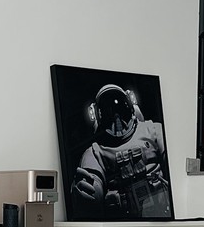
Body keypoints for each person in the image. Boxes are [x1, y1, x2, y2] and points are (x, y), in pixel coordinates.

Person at [71, 84, 173, 218]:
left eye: (120, 107)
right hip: (124, 221)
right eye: (108, 111)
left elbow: (174, 166)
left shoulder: (153, 130)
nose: (116, 117)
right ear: (96, 114)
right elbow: (92, 186)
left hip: (161, 213)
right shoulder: (95, 152)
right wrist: (88, 191)